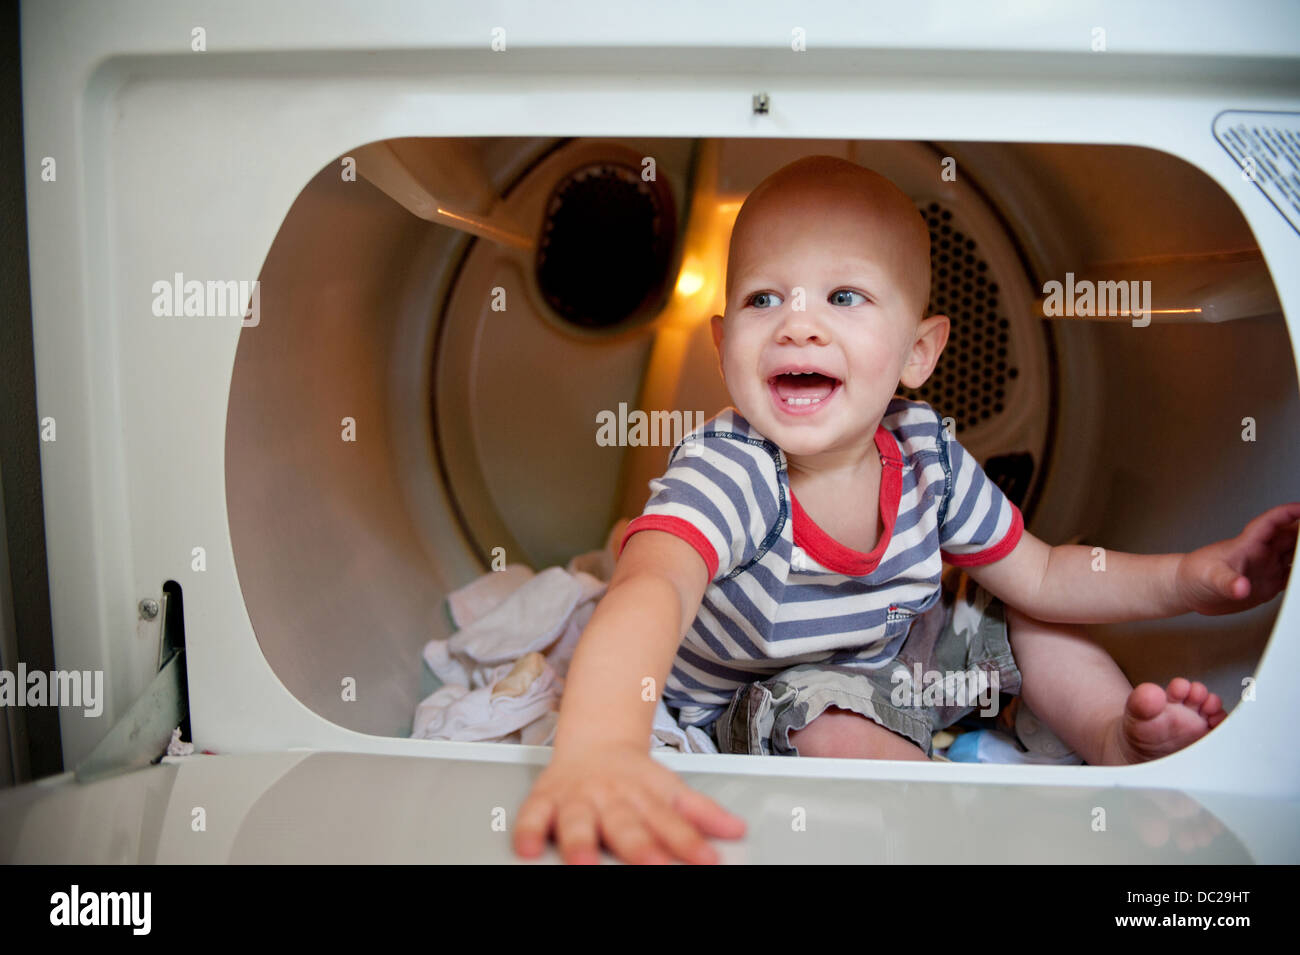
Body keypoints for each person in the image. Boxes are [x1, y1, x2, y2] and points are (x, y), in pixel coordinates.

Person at [512, 155, 1300, 865]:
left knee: (1025, 611)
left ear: (919, 352)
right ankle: (954, 821)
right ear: (722, 345)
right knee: (822, 720)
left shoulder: (927, 450)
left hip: (900, 660)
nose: (799, 321)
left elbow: (1051, 572)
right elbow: (653, 589)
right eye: (763, 297)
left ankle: (1111, 737)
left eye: (844, 295)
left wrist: (1197, 576)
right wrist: (600, 747)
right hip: (763, 687)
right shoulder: (734, 466)